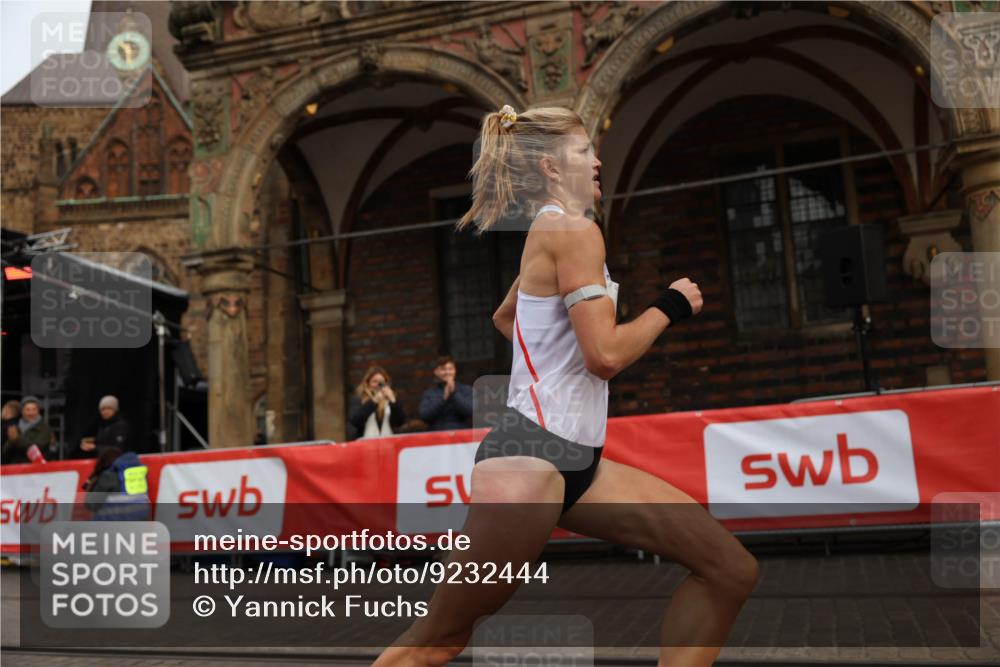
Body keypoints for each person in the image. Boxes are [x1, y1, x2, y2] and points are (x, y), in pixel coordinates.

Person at [373, 105, 758, 667]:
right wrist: (670, 306)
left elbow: (508, 317)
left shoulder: (550, 232)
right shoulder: (575, 230)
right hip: (530, 463)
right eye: (584, 152)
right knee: (440, 637)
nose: (597, 160)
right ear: (553, 169)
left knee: (730, 568)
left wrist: (545, 373)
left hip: (578, 462)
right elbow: (603, 356)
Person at [347, 366, 406, 440]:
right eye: (374, 381)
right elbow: (355, 421)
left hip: (388, 442)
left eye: (381, 382)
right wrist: (374, 401)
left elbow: (400, 422)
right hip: (364, 443)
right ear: (367, 383)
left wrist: (393, 401)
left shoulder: (391, 400)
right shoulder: (359, 399)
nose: (378, 385)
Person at [418, 355, 474, 431]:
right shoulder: (429, 393)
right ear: (436, 372)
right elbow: (424, 416)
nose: (447, 372)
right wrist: (443, 398)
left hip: (462, 437)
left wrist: (454, 394)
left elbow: (469, 411)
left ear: (455, 371)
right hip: (438, 437)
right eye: (443, 369)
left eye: (450, 369)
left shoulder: (466, 390)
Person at [2, 396, 51, 465]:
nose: (31, 413)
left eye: (34, 409)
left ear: (38, 411)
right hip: (16, 468)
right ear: (22, 411)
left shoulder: (44, 428)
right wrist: (11, 441)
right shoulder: (15, 427)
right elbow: (5, 452)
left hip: (36, 468)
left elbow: (37, 448)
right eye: (27, 410)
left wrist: (17, 439)